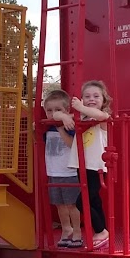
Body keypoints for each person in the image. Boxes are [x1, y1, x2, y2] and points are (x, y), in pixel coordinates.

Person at [68, 80, 111, 249]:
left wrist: (79, 106)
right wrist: (64, 117)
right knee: (94, 201)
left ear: (103, 100)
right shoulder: (82, 116)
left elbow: (102, 116)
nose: (91, 99)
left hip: (97, 166)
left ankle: (100, 230)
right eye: (86, 96)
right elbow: (56, 116)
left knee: (82, 201)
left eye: (96, 96)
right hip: (82, 165)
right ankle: (103, 231)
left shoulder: (102, 117)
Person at [42, 90, 82, 248]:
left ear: (67, 111)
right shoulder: (47, 128)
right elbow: (41, 144)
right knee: (59, 204)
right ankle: (67, 229)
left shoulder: (69, 126)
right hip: (53, 172)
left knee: (72, 204)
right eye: (49, 110)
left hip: (69, 171)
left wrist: (60, 128)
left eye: (58, 110)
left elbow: (73, 145)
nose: (53, 114)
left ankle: (77, 231)